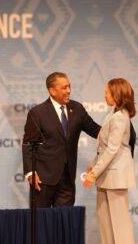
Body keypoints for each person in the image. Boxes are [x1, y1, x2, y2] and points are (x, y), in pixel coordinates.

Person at [83, 78, 138, 244]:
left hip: (116, 175)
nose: (104, 95)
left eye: (107, 92)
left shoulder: (120, 117)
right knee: (105, 219)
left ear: (116, 94)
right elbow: (103, 148)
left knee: (119, 221)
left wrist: (93, 173)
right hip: (106, 175)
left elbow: (113, 149)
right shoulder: (112, 114)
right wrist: (93, 167)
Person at [22, 72, 100, 208]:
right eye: (64, 88)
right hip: (43, 179)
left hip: (67, 179)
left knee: (64, 222)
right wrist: (30, 172)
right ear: (52, 91)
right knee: (42, 223)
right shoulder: (37, 113)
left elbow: (96, 130)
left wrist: (118, 130)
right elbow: (28, 144)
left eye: (69, 86)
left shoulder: (77, 109)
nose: (69, 90)